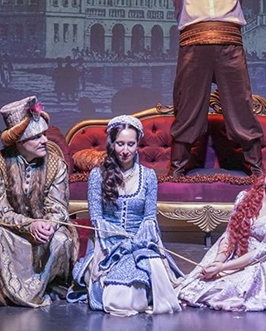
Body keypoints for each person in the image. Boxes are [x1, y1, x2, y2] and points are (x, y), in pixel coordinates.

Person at [158, 0, 266, 177]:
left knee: (241, 105)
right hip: (194, 47)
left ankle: (257, 169)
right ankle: (177, 170)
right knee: (187, 105)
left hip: (228, 46)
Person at [0, 95, 78, 307]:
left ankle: (47, 283)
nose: (44, 140)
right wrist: (29, 225)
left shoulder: (57, 165)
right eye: (36, 137)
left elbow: (58, 206)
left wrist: (48, 224)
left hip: (45, 228)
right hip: (10, 228)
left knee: (62, 239)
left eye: (44, 134)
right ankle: (6, 289)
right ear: (19, 141)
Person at [67, 115, 183, 316]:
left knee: (146, 285)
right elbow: (97, 219)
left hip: (140, 242)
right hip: (108, 244)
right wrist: (118, 241)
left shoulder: (148, 176)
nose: (125, 150)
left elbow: (149, 218)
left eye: (131, 144)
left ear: (138, 144)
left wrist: (136, 242)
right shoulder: (97, 175)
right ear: (112, 144)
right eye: (120, 143)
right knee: (116, 295)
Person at [177, 150, 266, 311]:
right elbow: (229, 235)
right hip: (232, 254)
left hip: (256, 264)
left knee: (223, 291)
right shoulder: (244, 197)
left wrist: (223, 268)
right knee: (193, 287)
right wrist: (218, 261)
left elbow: (263, 251)